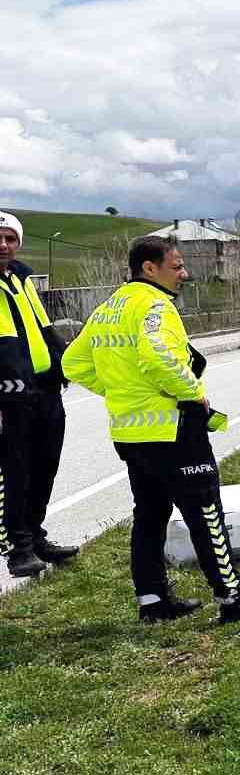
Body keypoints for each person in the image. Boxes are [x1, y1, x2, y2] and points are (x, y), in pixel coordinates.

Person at [62, 235, 240, 623]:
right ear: (149, 268)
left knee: (149, 516)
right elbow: (158, 356)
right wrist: (194, 393)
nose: (184, 273)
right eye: (177, 265)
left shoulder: (107, 309)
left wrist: (119, 390)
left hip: (130, 435)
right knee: (206, 512)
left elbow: (73, 363)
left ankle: (153, 601)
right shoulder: (155, 305)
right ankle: (233, 599)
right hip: (173, 430)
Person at [0, 211, 78, 578]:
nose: (3, 245)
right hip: (9, 397)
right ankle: (18, 549)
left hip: (43, 389)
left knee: (44, 466)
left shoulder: (21, 278)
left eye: (9, 238)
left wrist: (62, 362)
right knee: (14, 472)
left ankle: (35, 535)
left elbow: (42, 326)